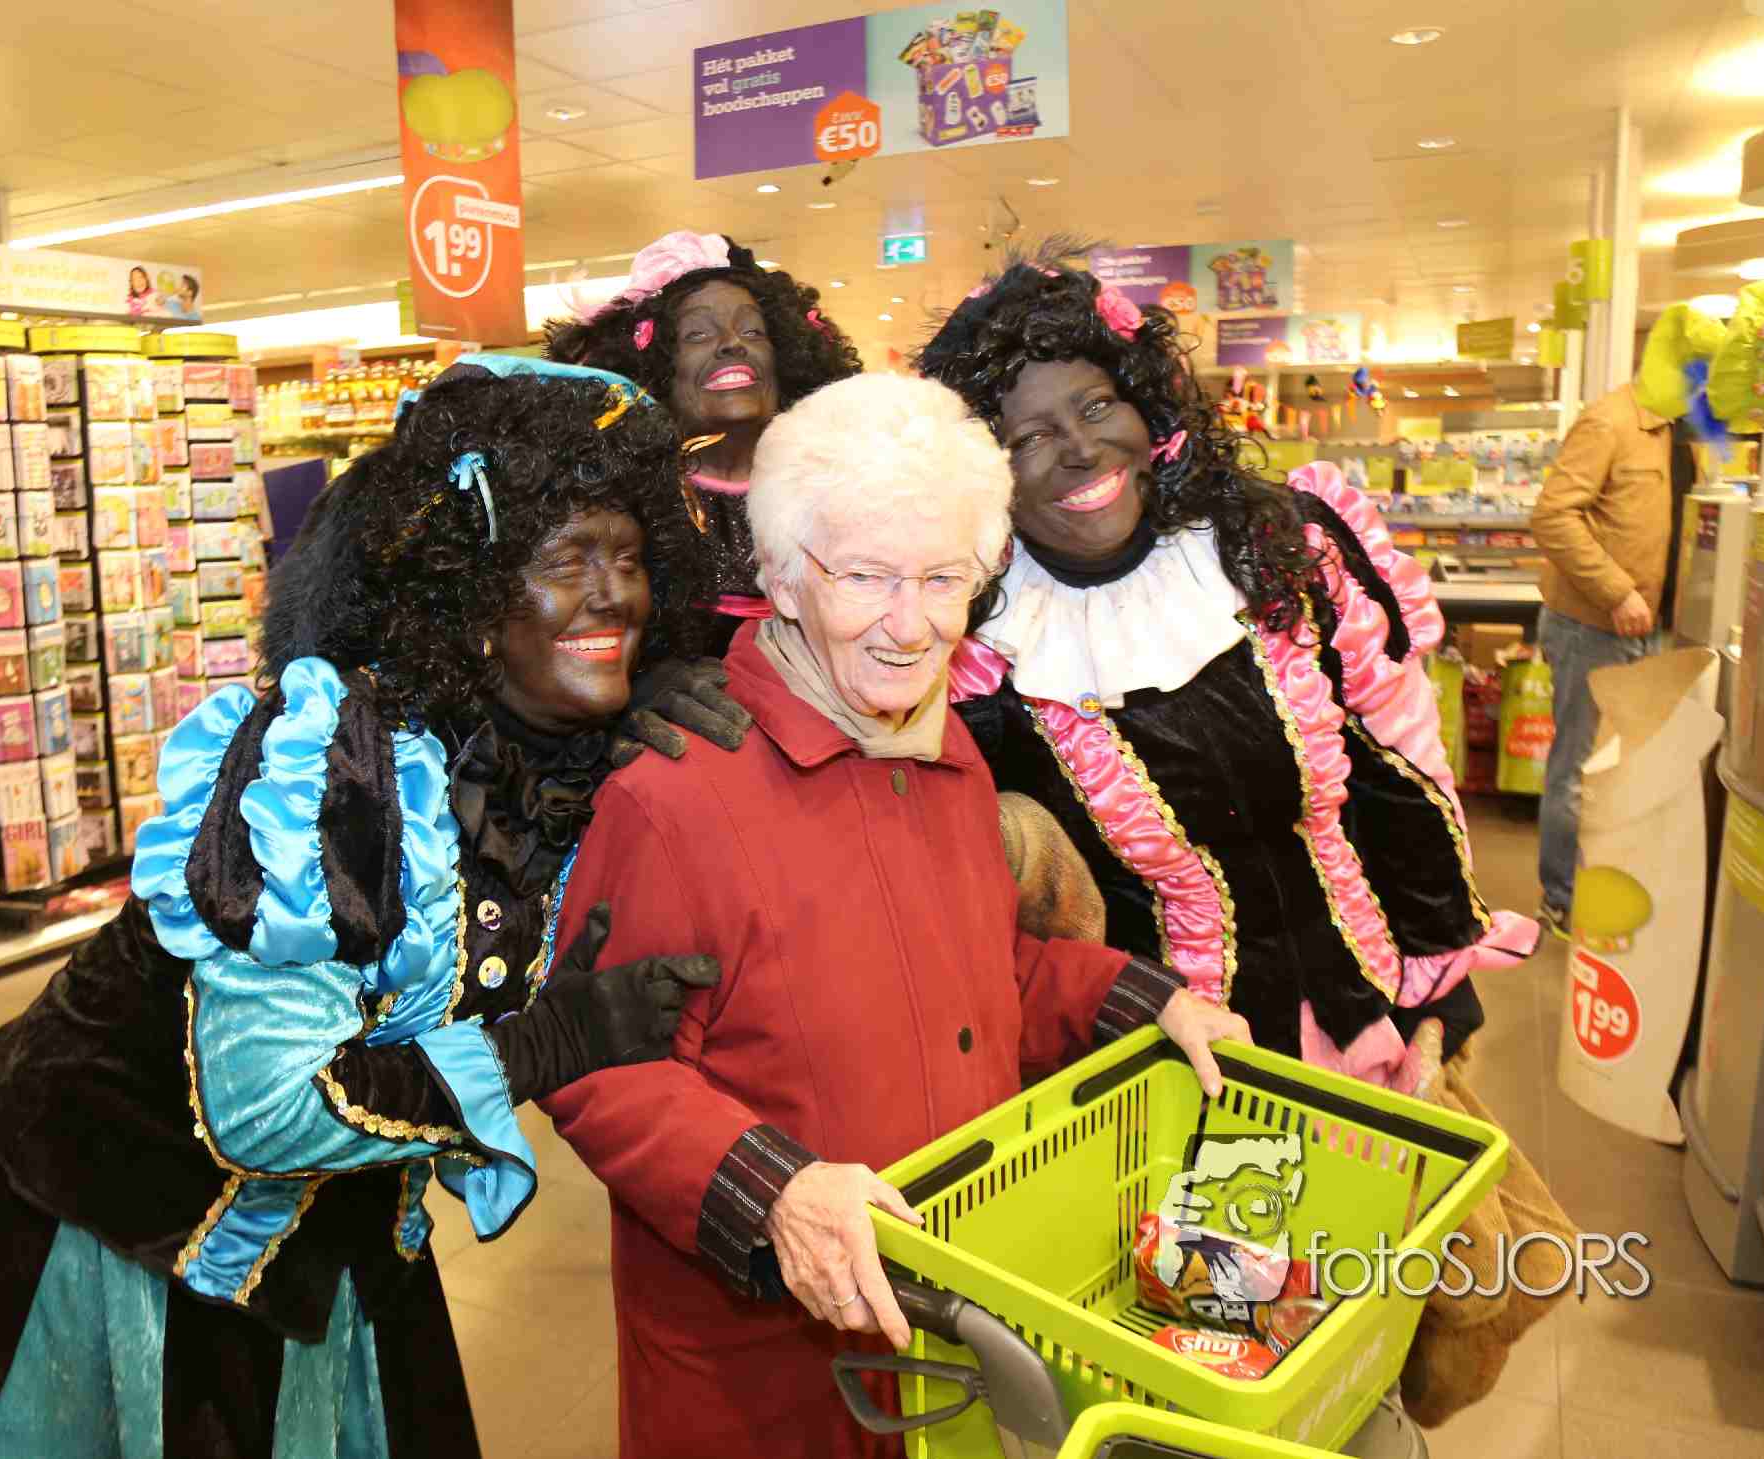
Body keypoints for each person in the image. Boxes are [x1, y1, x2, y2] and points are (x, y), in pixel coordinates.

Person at [0, 357, 748, 1458]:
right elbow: (264, 1106)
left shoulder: (559, 764)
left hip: (334, 1224)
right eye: (568, 559)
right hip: (125, 1209)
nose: (614, 594)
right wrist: (543, 1044)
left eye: (628, 557)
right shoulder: (335, 767)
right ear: (472, 599)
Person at [538, 373, 1248, 1459]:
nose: (910, 626)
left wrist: (1149, 1005)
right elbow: (598, 1066)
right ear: (782, 578)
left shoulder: (945, 754)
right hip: (770, 1367)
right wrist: (774, 1191)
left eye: (942, 578)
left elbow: (984, 970)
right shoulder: (672, 796)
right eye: (865, 576)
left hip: (948, 1330)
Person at [916, 240, 1535, 1092]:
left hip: (1372, 1017)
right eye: (1029, 436)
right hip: (1163, 1067)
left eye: (1097, 405)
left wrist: (1441, 978)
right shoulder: (980, 652)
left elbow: (1400, 767)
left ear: (1146, 406)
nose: (1081, 448)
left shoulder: (1277, 552)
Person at [545, 230, 861, 655]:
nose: (733, 344)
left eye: (753, 331)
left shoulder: (833, 490)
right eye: (697, 335)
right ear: (654, 369)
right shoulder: (621, 501)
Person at [1529, 331, 1694, 937]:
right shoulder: (1610, 421)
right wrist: (1616, 590)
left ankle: (1605, 890)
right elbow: (1552, 515)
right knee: (1579, 770)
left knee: (1622, 775)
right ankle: (1564, 900)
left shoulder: (1678, 433)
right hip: (1593, 627)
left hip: (1650, 633)